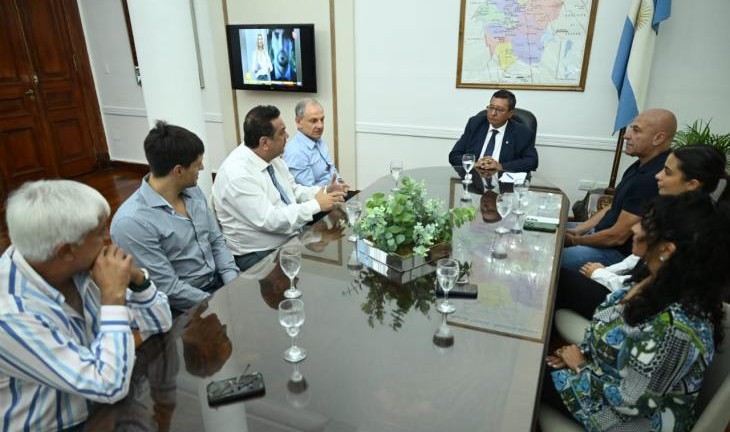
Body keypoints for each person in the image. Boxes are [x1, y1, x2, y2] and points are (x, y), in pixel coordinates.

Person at [543, 192, 730, 431]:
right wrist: (583, 355)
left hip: (630, 420)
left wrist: (580, 367)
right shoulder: (654, 278)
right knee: (529, 371)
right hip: (603, 383)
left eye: (645, 223)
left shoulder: (677, 328)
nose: (635, 228)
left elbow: (632, 403)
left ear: (667, 249)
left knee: (524, 378)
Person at [0, 180, 172, 431]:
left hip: (104, 406)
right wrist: (112, 297)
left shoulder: (79, 268)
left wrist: (137, 281)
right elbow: (107, 385)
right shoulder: (9, 315)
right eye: (101, 231)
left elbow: (160, 322)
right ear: (66, 251)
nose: (108, 238)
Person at [556, 144, 728, 319]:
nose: (658, 176)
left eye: (667, 172)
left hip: (644, 308)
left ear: (692, 184)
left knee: (556, 273)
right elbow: (639, 269)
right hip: (628, 286)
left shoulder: (691, 224)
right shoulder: (674, 206)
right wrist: (604, 272)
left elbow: (650, 288)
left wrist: (601, 274)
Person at [111, 121, 239, 311]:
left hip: (218, 287)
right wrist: (218, 303)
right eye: (197, 164)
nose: (202, 168)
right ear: (178, 170)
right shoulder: (131, 223)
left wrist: (233, 284)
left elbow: (216, 241)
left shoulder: (192, 191)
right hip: (180, 308)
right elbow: (168, 288)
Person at [211, 105, 347, 272]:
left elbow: (294, 191)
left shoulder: (269, 156)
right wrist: (317, 205)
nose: (287, 136)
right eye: (282, 133)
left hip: (289, 237)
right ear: (265, 142)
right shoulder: (238, 175)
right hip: (259, 254)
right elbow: (271, 220)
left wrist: (325, 192)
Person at [561, 108, 677, 271]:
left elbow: (616, 237)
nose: (626, 135)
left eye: (636, 130)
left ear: (658, 138)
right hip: (599, 234)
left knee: (550, 257)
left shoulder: (653, 178)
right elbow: (614, 205)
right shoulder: (641, 163)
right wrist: (579, 230)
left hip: (615, 252)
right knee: (547, 229)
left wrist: (575, 240)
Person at [448, 89, 538, 173]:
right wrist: (474, 164)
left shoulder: (522, 133)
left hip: (504, 180)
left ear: (510, 113)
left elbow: (532, 161)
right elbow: (454, 155)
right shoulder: (475, 124)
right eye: (491, 107)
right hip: (475, 179)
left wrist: (501, 166)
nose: (493, 113)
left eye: (499, 110)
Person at [284, 98, 348, 187]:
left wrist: (340, 182)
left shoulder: (317, 140)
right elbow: (310, 191)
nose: (320, 126)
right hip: (323, 195)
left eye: (322, 119)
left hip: (334, 191)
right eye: (313, 121)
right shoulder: (295, 152)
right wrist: (335, 191)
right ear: (299, 122)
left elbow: (331, 170)